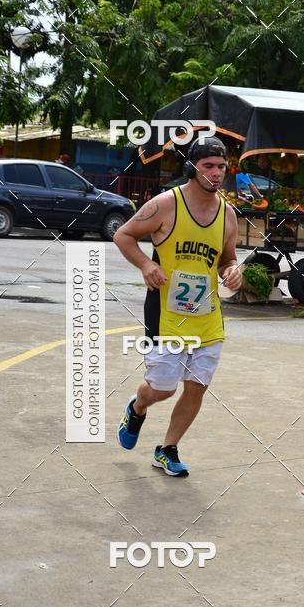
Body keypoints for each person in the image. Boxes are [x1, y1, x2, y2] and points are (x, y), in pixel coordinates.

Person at [113, 136, 242, 476]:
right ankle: (137, 407)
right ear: (192, 168)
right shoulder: (165, 204)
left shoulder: (228, 215)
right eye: (208, 167)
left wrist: (232, 272)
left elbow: (227, 258)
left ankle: (167, 449)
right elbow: (123, 235)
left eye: (221, 167)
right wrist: (145, 264)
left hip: (207, 316)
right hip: (166, 313)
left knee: (197, 386)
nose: (216, 174)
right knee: (163, 389)